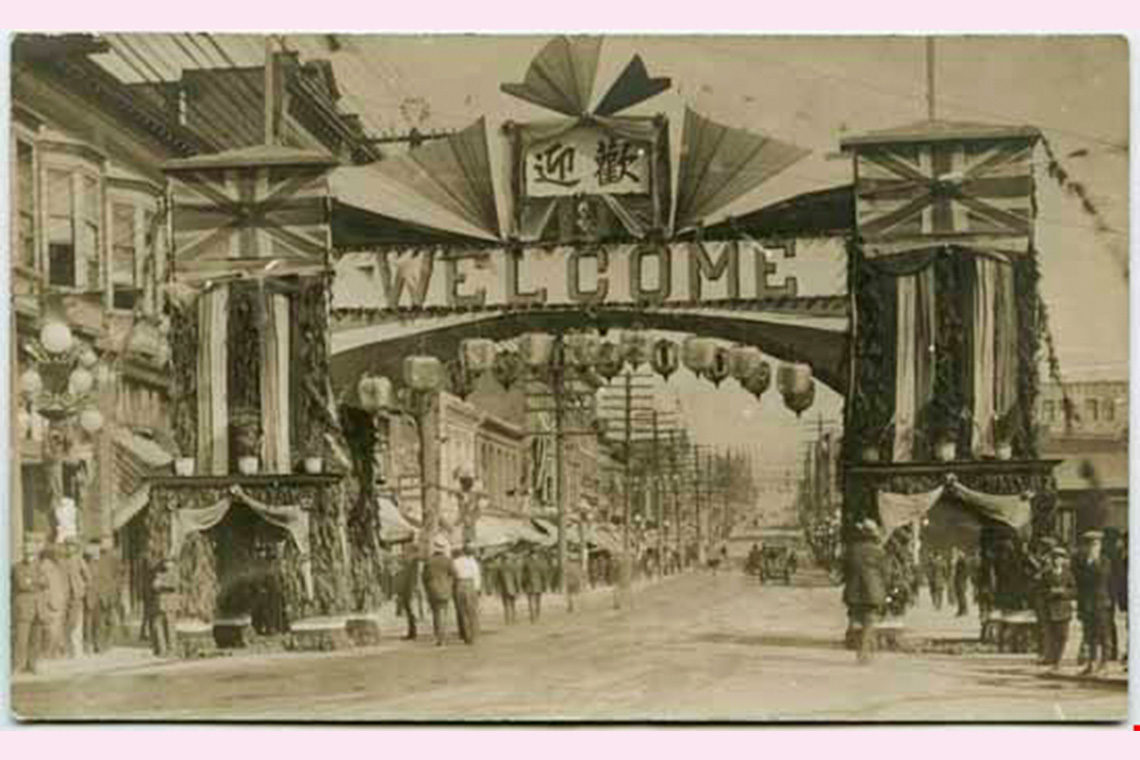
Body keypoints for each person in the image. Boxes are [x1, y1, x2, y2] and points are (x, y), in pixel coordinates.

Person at [843, 518, 887, 664]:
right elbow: (885, 572)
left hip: (853, 592)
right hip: (873, 592)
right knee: (869, 622)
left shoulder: (852, 549)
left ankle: (862, 649)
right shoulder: (879, 551)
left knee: (857, 621)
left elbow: (845, 570)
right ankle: (864, 653)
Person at [1074, 530, 1114, 675]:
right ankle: (1091, 663)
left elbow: (1102, 577)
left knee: (1104, 634)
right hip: (1086, 603)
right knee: (1089, 634)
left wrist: (1094, 561)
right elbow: (1079, 582)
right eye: (1089, 545)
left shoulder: (1104, 561)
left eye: (1095, 545)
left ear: (1100, 546)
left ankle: (1104, 664)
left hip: (1101, 602)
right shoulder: (1081, 562)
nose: (1092, 548)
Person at [12, 538, 49, 675]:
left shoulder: (39, 567)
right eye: (27, 554)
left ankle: (32, 665)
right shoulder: (17, 567)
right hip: (24, 609)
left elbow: (46, 583)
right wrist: (37, 582)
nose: (30, 556)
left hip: (39, 609)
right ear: (23, 554)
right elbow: (22, 584)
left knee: (35, 639)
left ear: (36, 554)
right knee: (21, 639)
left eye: (32, 554)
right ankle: (18, 665)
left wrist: (32, 581)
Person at [1040, 546, 1077, 672]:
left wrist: (1064, 592)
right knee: (1052, 636)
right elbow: (1040, 591)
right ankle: (1053, 660)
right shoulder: (1046, 574)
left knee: (1063, 636)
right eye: (1055, 558)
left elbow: (1074, 590)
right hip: (1050, 609)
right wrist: (1050, 592)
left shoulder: (1068, 574)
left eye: (1060, 558)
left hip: (1064, 609)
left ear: (1063, 560)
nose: (1057, 561)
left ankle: (1058, 660)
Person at [422, 536, 457, 646]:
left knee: (436, 613)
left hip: (433, 590)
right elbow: (454, 574)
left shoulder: (429, 561)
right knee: (444, 612)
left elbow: (424, 577)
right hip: (445, 589)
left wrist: (427, 588)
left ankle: (439, 636)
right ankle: (443, 635)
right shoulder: (448, 561)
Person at [62, 540, 90, 658]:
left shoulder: (79, 560)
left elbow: (88, 577)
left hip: (76, 595)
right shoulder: (62, 561)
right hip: (64, 596)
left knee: (76, 623)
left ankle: (77, 650)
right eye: (67, 546)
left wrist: (81, 587)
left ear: (76, 548)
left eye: (72, 546)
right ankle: (67, 650)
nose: (69, 549)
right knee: (66, 623)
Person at [150, 558, 180, 657]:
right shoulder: (159, 573)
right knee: (157, 625)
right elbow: (153, 585)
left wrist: (161, 584)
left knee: (170, 627)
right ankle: (161, 649)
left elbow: (173, 585)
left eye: (169, 562)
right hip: (160, 604)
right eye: (165, 562)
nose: (167, 564)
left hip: (170, 604)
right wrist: (157, 584)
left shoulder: (174, 573)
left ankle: (172, 649)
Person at [453, 545, 482, 645]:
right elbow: (476, 575)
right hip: (470, 584)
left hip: (459, 584)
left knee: (463, 612)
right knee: (472, 611)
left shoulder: (455, 562)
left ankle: (467, 636)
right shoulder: (472, 561)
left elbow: (453, 575)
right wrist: (477, 589)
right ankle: (473, 634)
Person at [395, 543, 423, 640]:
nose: (404, 553)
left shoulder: (415, 562)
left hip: (412, 590)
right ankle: (411, 632)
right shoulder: (411, 562)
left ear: (412, 552)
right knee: (409, 612)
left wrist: (414, 590)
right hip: (407, 590)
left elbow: (416, 579)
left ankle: (413, 633)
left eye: (406, 551)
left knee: (412, 612)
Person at [521, 547, 547, 623]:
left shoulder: (527, 562)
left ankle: (535, 616)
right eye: (533, 554)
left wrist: (523, 583)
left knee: (534, 602)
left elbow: (524, 575)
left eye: (534, 554)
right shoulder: (539, 562)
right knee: (534, 601)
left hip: (533, 584)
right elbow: (543, 575)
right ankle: (534, 617)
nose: (534, 555)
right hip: (535, 584)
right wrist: (544, 584)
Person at [496, 550, 521, 625]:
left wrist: (497, 589)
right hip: (512, 588)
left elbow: (497, 580)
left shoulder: (500, 567)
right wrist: (518, 589)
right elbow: (516, 579)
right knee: (512, 605)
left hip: (504, 589)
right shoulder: (513, 567)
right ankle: (513, 619)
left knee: (506, 605)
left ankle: (508, 620)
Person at [952, 549, 971, 617]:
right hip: (959, 581)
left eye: (960, 554)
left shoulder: (963, 562)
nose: (958, 555)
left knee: (961, 596)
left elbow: (965, 572)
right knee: (959, 596)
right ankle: (962, 610)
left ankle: (963, 610)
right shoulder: (960, 562)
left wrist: (963, 580)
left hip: (961, 581)